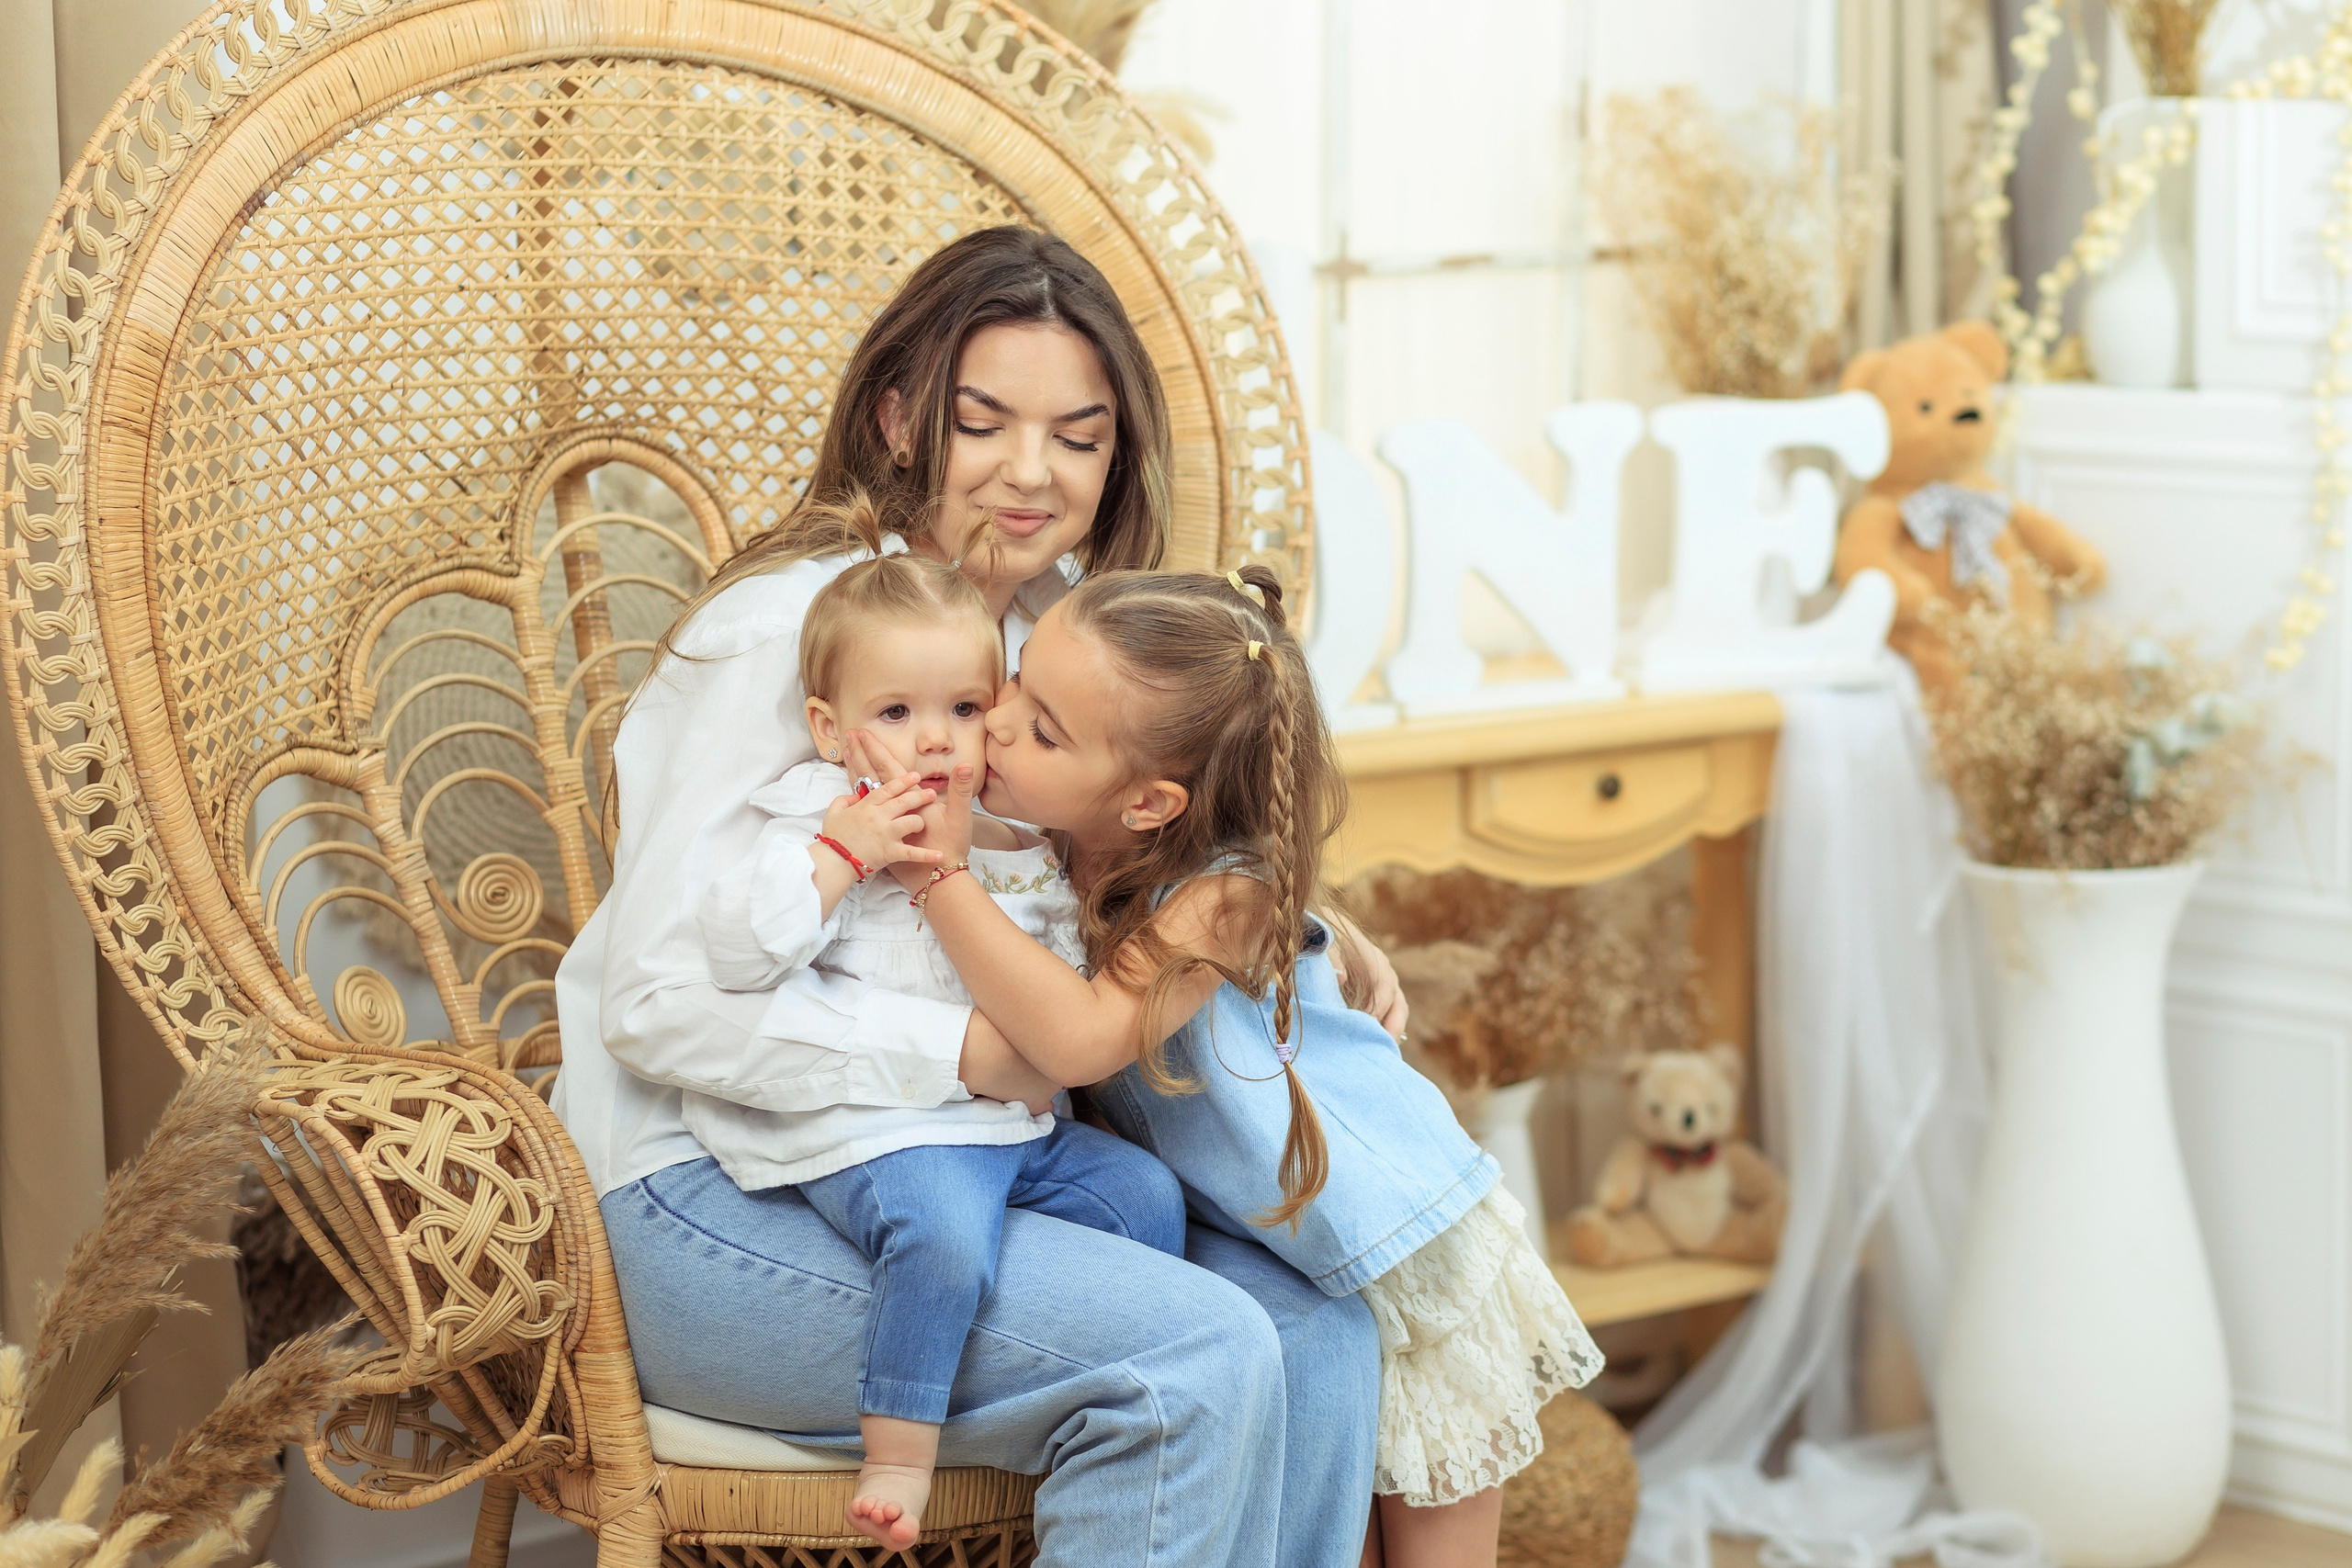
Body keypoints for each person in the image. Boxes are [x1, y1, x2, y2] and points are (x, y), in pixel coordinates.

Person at [550, 224, 1407, 1568]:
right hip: (714, 1194)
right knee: (1194, 1352)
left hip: (997, 1169)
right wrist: (956, 1050)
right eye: (984, 422)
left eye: (1078, 433)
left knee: (1322, 1330)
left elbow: (1132, 868)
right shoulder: (787, 631)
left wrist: (1291, 922)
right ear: (900, 416)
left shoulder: (1068, 644)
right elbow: (653, 1009)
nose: (1031, 471)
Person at [854, 566, 1603, 1567]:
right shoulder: (1056, 840)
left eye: (1041, 729)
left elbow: (1077, 1038)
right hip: (1292, 1248)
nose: (996, 724)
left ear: (1152, 802)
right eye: (1018, 684)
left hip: (1403, 1253)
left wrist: (937, 876)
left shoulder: (1224, 897)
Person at [691, 525, 1187, 1550]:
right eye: (896, 713)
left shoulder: (1010, 838)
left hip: (1004, 1127)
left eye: (965, 710)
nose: (934, 741)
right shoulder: (808, 816)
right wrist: (842, 853)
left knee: (1142, 1194)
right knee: (944, 1241)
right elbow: (743, 955)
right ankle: (901, 1452)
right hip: (884, 1127)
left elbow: (1052, 970)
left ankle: (1086, 1365)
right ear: (831, 730)